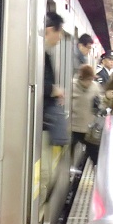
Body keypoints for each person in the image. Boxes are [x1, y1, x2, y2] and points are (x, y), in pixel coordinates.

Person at [42, 12, 67, 144]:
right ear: (50, 30)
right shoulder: (37, 54)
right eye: (60, 32)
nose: (60, 37)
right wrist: (53, 90)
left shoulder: (45, 53)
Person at [70, 64, 102, 166]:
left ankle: (96, 170)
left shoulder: (95, 86)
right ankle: (69, 169)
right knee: (68, 152)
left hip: (89, 129)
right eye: (87, 79)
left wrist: (99, 104)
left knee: (94, 152)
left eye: (91, 79)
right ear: (81, 77)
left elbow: (101, 103)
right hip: (73, 127)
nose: (89, 82)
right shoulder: (72, 85)